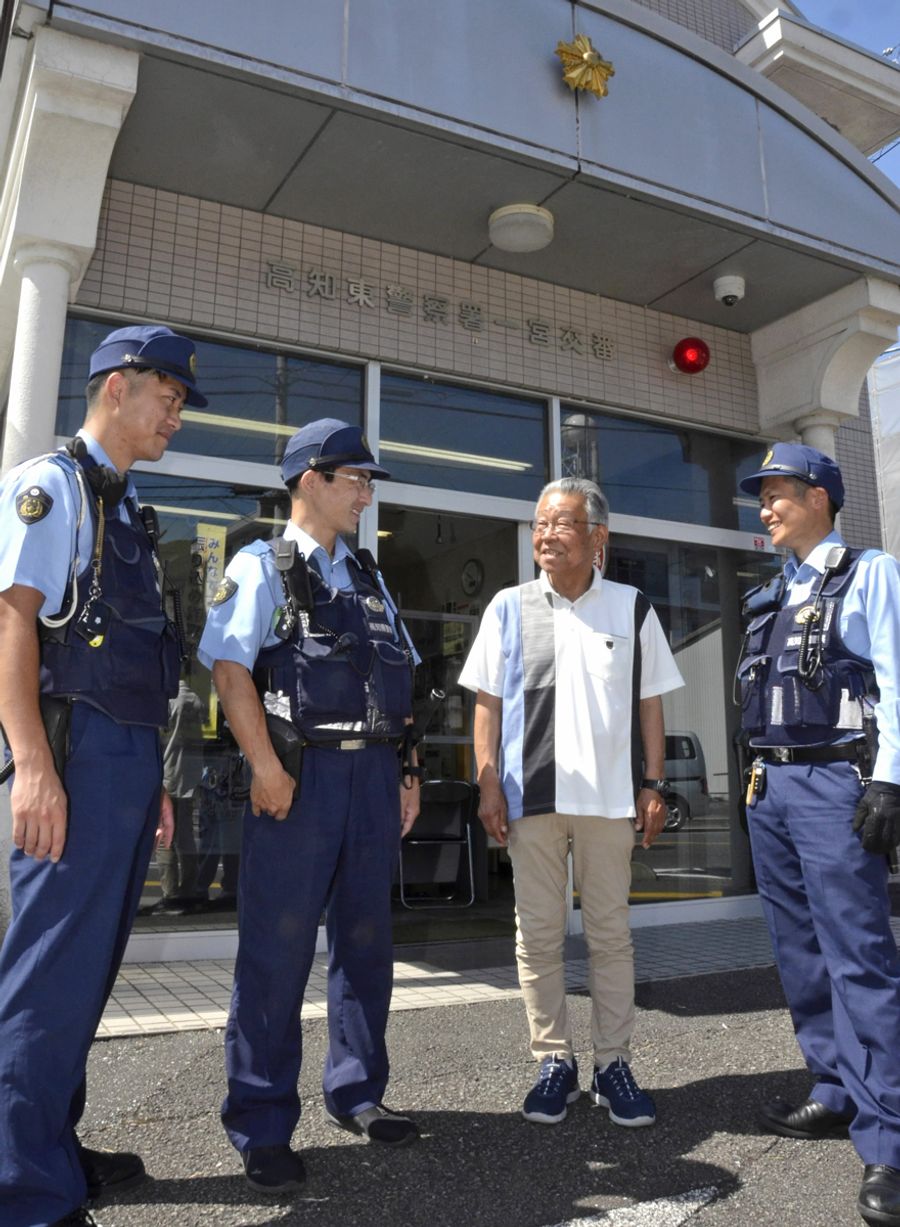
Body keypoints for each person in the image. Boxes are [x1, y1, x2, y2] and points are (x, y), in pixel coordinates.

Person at [0, 325, 208, 1226]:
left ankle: (51, 1143)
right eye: (169, 395)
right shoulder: (53, 489)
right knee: (47, 976)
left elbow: (130, 660)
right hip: (71, 757)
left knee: (86, 974)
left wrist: (153, 776)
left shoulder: (126, 508)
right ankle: (23, 1192)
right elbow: (11, 625)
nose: (176, 414)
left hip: (121, 762)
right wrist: (32, 766)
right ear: (119, 385)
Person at [198, 418, 421, 1195]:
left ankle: (358, 1089)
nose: (365, 492)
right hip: (300, 781)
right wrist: (264, 767)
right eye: (353, 478)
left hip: (371, 779)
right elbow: (230, 674)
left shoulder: (368, 574)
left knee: (366, 945)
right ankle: (261, 1121)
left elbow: (399, 680)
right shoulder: (261, 565)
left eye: (368, 480)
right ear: (308, 481)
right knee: (276, 954)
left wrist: (410, 768)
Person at [458, 476, 683, 1128]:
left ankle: (614, 1063)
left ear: (597, 538)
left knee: (611, 937)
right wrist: (488, 777)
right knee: (540, 938)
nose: (545, 535)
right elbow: (487, 701)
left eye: (560, 523)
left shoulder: (632, 606)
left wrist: (655, 782)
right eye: (539, 524)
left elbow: (651, 701)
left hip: (612, 802)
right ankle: (554, 1059)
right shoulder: (508, 605)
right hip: (532, 801)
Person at [736, 442, 900, 1227]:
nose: (765, 506)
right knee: (800, 953)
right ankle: (834, 1089)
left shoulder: (867, 573)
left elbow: (898, 680)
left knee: (858, 956)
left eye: (779, 493)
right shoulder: (774, 593)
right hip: (770, 784)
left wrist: (891, 778)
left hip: (835, 783)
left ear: (823, 497)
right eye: (761, 496)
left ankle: (889, 1141)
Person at [154, 673, 206, 914]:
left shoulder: (168, 700)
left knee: (166, 836)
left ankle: (170, 892)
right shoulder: (196, 700)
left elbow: (159, 737)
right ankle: (189, 889)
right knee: (185, 835)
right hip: (190, 773)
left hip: (167, 772)